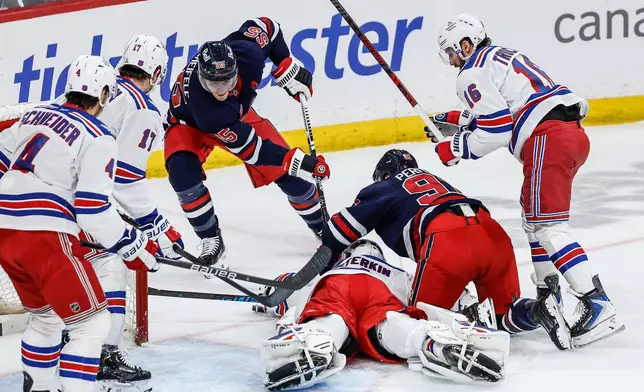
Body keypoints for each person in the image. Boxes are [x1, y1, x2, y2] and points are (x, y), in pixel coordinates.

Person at [429, 13, 624, 347]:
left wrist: (456, 147)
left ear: (465, 44)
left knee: (549, 228)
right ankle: (551, 297)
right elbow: (508, 106)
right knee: (534, 222)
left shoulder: (471, 72)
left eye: (451, 52)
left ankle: (598, 303)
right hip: (566, 136)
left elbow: (496, 128)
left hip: (547, 140)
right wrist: (455, 119)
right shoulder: (501, 56)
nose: (451, 61)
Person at [0, 55, 159, 392]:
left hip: (4, 230)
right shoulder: (99, 136)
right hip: (43, 236)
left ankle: (40, 388)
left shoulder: (32, 117)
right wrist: (131, 243)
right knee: (92, 323)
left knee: (46, 317)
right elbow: (92, 209)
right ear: (103, 94)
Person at [320, 149, 570, 350]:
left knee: (418, 324)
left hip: (447, 242)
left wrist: (327, 255)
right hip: (493, 236)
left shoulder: (386, 186)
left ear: (385, 174)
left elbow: (340, 231)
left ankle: (473, 318)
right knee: (503, 315)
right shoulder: (439, 182)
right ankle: (538, 310)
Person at [165, 17, 329, 267]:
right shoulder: (209, 107)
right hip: (188, 123)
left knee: (288, 176)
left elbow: (269, 27)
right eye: (213, 84)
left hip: (234, 118)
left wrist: (284, 61)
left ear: (236, 70)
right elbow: (255, 151)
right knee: (181, 172)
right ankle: (211, 239)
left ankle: (324, 228)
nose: (220, 90)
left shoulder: (248, 54)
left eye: (226, 82)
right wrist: (301, 161)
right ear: (201, 76)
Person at [259, 239, 511, 390]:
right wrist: (468, 306)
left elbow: (283, 289)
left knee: (332, 318)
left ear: (347, 255)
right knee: (391, 321)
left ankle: (316, 345)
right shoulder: (395, 271)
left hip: (337, 285)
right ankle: (433, 341)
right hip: (379, 292)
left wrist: (265, 297)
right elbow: (440, 289)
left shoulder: (336, 268)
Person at [80, 34, 182, 387]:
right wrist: (157, 225)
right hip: (82, 203)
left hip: (38, 196)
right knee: (113, 266)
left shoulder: (97, 89)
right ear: (156, 72)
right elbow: (124, 177)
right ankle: (103, 353)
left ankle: (73, 338)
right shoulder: (143, 109)